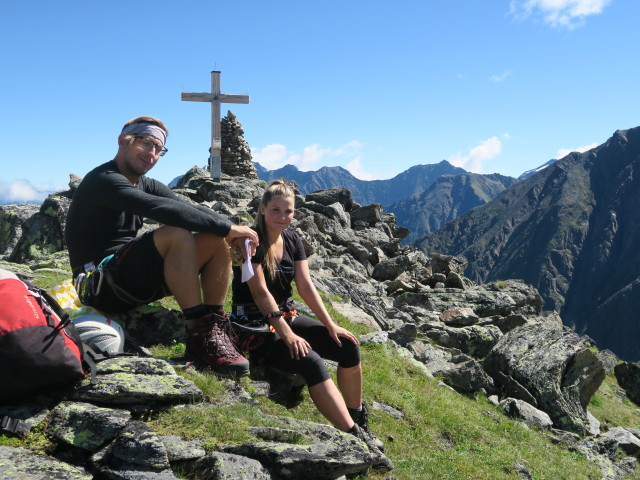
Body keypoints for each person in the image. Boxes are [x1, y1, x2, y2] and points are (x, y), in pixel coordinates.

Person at [65, 116, 259, 378]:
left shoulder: (146, 183)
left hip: (131, 278)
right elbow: (159, 209)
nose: (152, 154)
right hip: (98, 286)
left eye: (159, 149)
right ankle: (197, 329)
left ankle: (212, 330)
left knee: (214, 237)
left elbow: (187, 208)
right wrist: (229, 228)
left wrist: (228, 230)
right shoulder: (104, 179)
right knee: (176, 234)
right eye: (146, 144)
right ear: (124, 141)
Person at [230, 180, 392, 468]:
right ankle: (355, 439)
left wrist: (330, 325)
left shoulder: (292, 240)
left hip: (286, 315)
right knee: (311, 361)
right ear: (263, 209)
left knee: (348, 348)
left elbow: (305, 286)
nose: (282, 216)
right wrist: (287, 334)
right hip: (252, 326)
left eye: (288, 211)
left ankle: (358, 419)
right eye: (276, 210)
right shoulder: (250, 241)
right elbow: (259, 292)